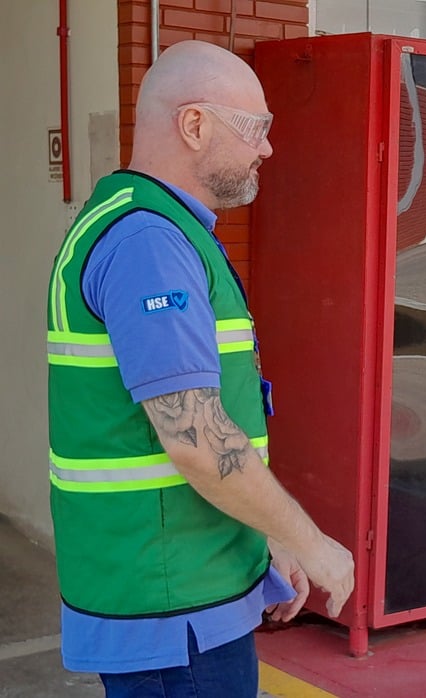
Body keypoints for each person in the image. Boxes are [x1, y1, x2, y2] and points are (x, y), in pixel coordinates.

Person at [46, 40, 354, 697]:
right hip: (170, 605)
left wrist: (266, 537)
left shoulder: (141, 222)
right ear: (193, 124)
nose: (266, 148)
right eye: (255, 128)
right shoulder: (150, 242)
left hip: (176, 583)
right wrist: (311, 542)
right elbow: (196, 439)